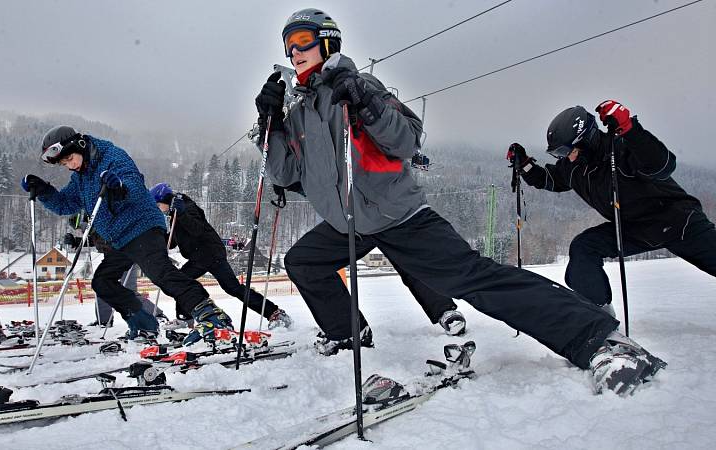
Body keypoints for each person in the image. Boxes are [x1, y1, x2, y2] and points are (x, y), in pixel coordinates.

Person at [254, 8, 665, 395]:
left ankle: (600, 339)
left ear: (327, 44)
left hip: (401, 217)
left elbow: (405, 141)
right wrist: (269, 127)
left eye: (302, 41)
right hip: (351, 224)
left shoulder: (359, 88)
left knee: (473, 278)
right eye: (288, 47)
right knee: (304, 261)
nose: (294, 53)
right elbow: (285, 173)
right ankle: (347, 333)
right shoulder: (300, 113)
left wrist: (364, 101)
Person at [21, 126, 232, 344]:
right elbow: (65, 204)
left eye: (70, 159)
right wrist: (44, 192)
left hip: (143, 226)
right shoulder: (81, 177)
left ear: (80, 146)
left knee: (160, 273)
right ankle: (143, 324)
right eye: (64, 164)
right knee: (103, 282)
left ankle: (212, 316)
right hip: (120, 238)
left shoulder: (111, 156)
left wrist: (119, 187)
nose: (70, 166)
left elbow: (133, 183)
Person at [508, 101, 716, 312]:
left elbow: (662, 165)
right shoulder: (575, 167)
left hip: (678, 222)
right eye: (558, 154)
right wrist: (524, 164)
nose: (565, 157)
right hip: (632, 229)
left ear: (585, 140)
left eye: (565, 151)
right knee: (584, 247)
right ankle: (601, 318)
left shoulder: (621, 149)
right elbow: (549, 179)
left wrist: (630, 129)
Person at [149, 182, 293, 329]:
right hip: (199, 257)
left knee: (230, 287)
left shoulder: (187, 207)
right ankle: (185, 318)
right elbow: (174, 240)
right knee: (183, 282)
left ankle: (274, 313)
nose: (160, 210)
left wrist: (182, 213)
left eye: (159, 206)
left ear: (166, 200)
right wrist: (156, 239)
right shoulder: (175, 213)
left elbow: (196, 229)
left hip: (210, 254)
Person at [63, 212, 167, 327]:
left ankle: (157, 315)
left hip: (126, 254)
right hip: (111, 257)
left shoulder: (101, 220)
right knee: (102, 286)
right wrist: (76, 241)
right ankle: (103, 321)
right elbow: (97, 240)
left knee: (127, 289)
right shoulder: (96, 227)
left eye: (80, 227)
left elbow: (112, 235)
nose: (81, 230)